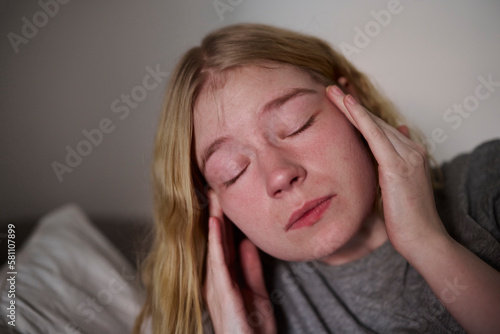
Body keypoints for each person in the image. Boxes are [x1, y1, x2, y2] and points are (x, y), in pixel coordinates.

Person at [133, 23, 500, 334]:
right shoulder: (231, 313)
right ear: (215, 202)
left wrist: (427, 242)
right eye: (233, 171)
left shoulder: (488, 180)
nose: (279, 174)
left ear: (352, 105)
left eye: (297, 125)